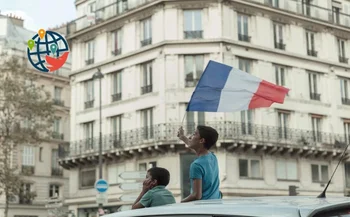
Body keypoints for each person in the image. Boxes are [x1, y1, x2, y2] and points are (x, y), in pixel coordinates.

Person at [178, 125, 221, 202]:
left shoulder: (196, 165)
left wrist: (181, 202)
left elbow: (196, 195)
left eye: (195, 134)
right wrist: (183, 137)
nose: (191, 136)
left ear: (201, 140)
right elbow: (197, 148)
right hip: (216, 204)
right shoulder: (212, 157)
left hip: (203, 209)